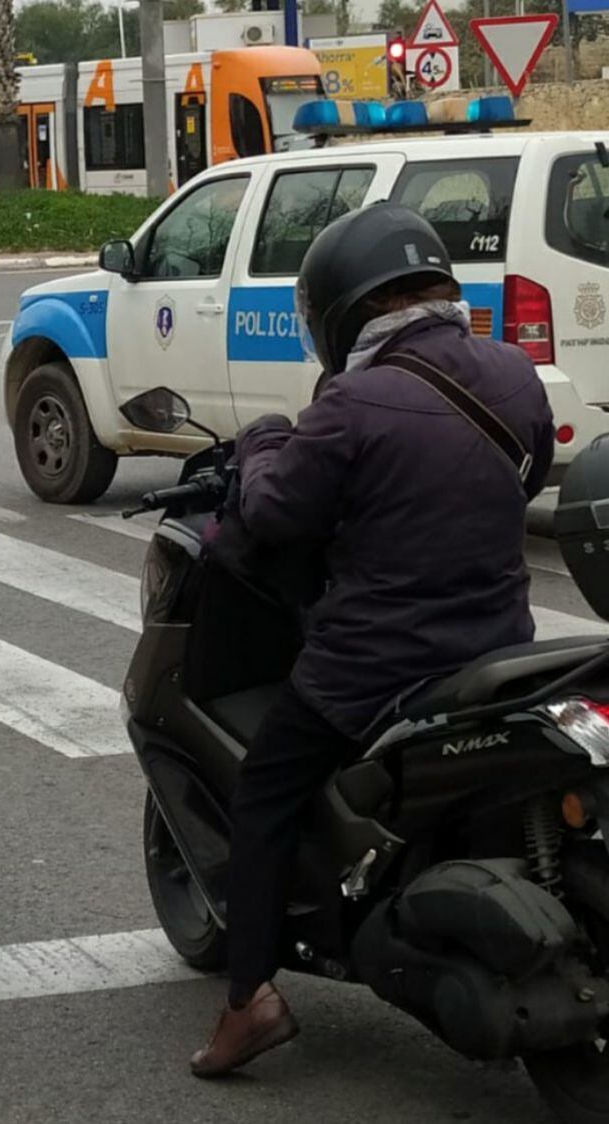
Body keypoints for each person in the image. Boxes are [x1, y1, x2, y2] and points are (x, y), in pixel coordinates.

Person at [190, 202, 556, 1077]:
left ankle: (250, 1002)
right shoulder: (512, 372)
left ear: (343, 308)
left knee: (267, 788)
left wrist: (269, 438)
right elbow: (527, 472)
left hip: (376, 665)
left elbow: (275, 509)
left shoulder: (352, 402)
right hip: (501, 649)